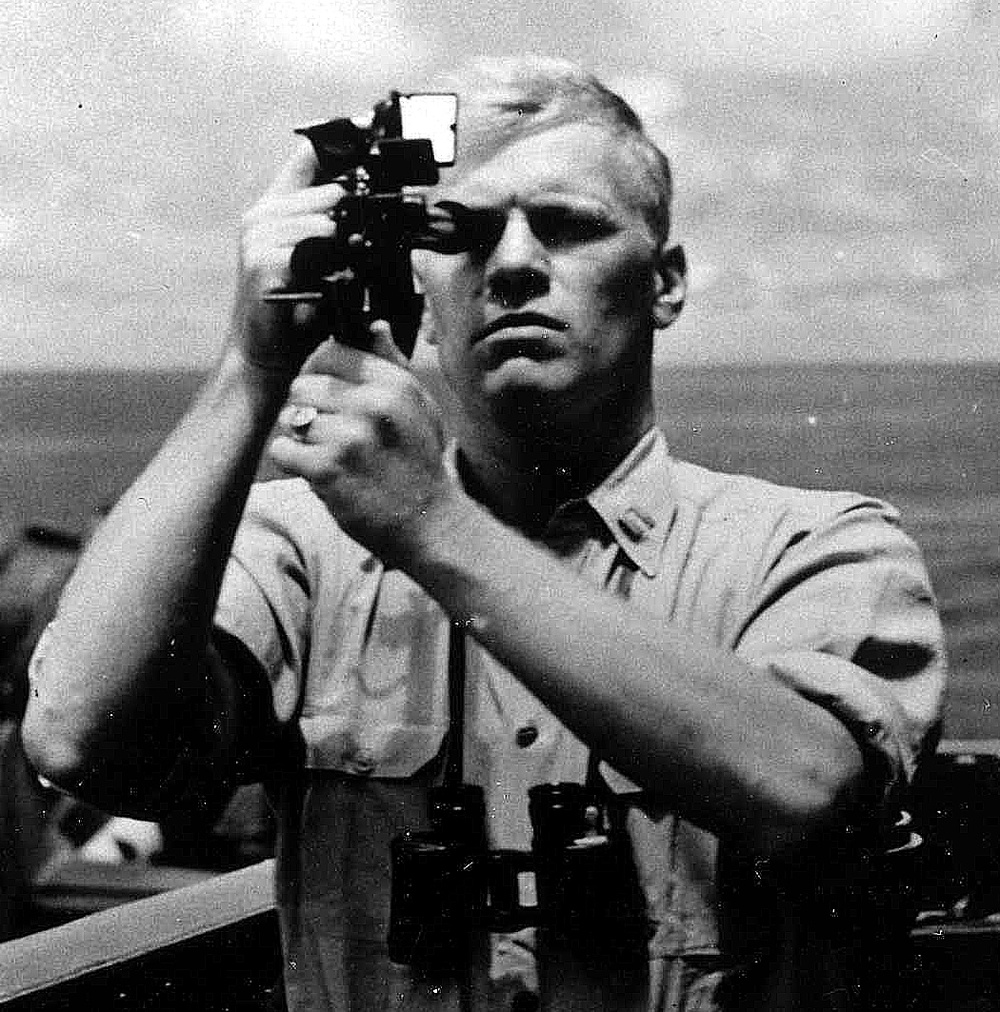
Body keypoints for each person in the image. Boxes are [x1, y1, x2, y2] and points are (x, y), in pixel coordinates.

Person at [21, 59, 946, 1010]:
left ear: (665, 282)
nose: (511, 264)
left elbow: (807, 788)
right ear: (421, 299)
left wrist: (428, 523)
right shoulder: (302, 550)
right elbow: (80, 740)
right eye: (460, 235)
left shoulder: (817, 546)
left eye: (567, 225)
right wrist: (254, 365)